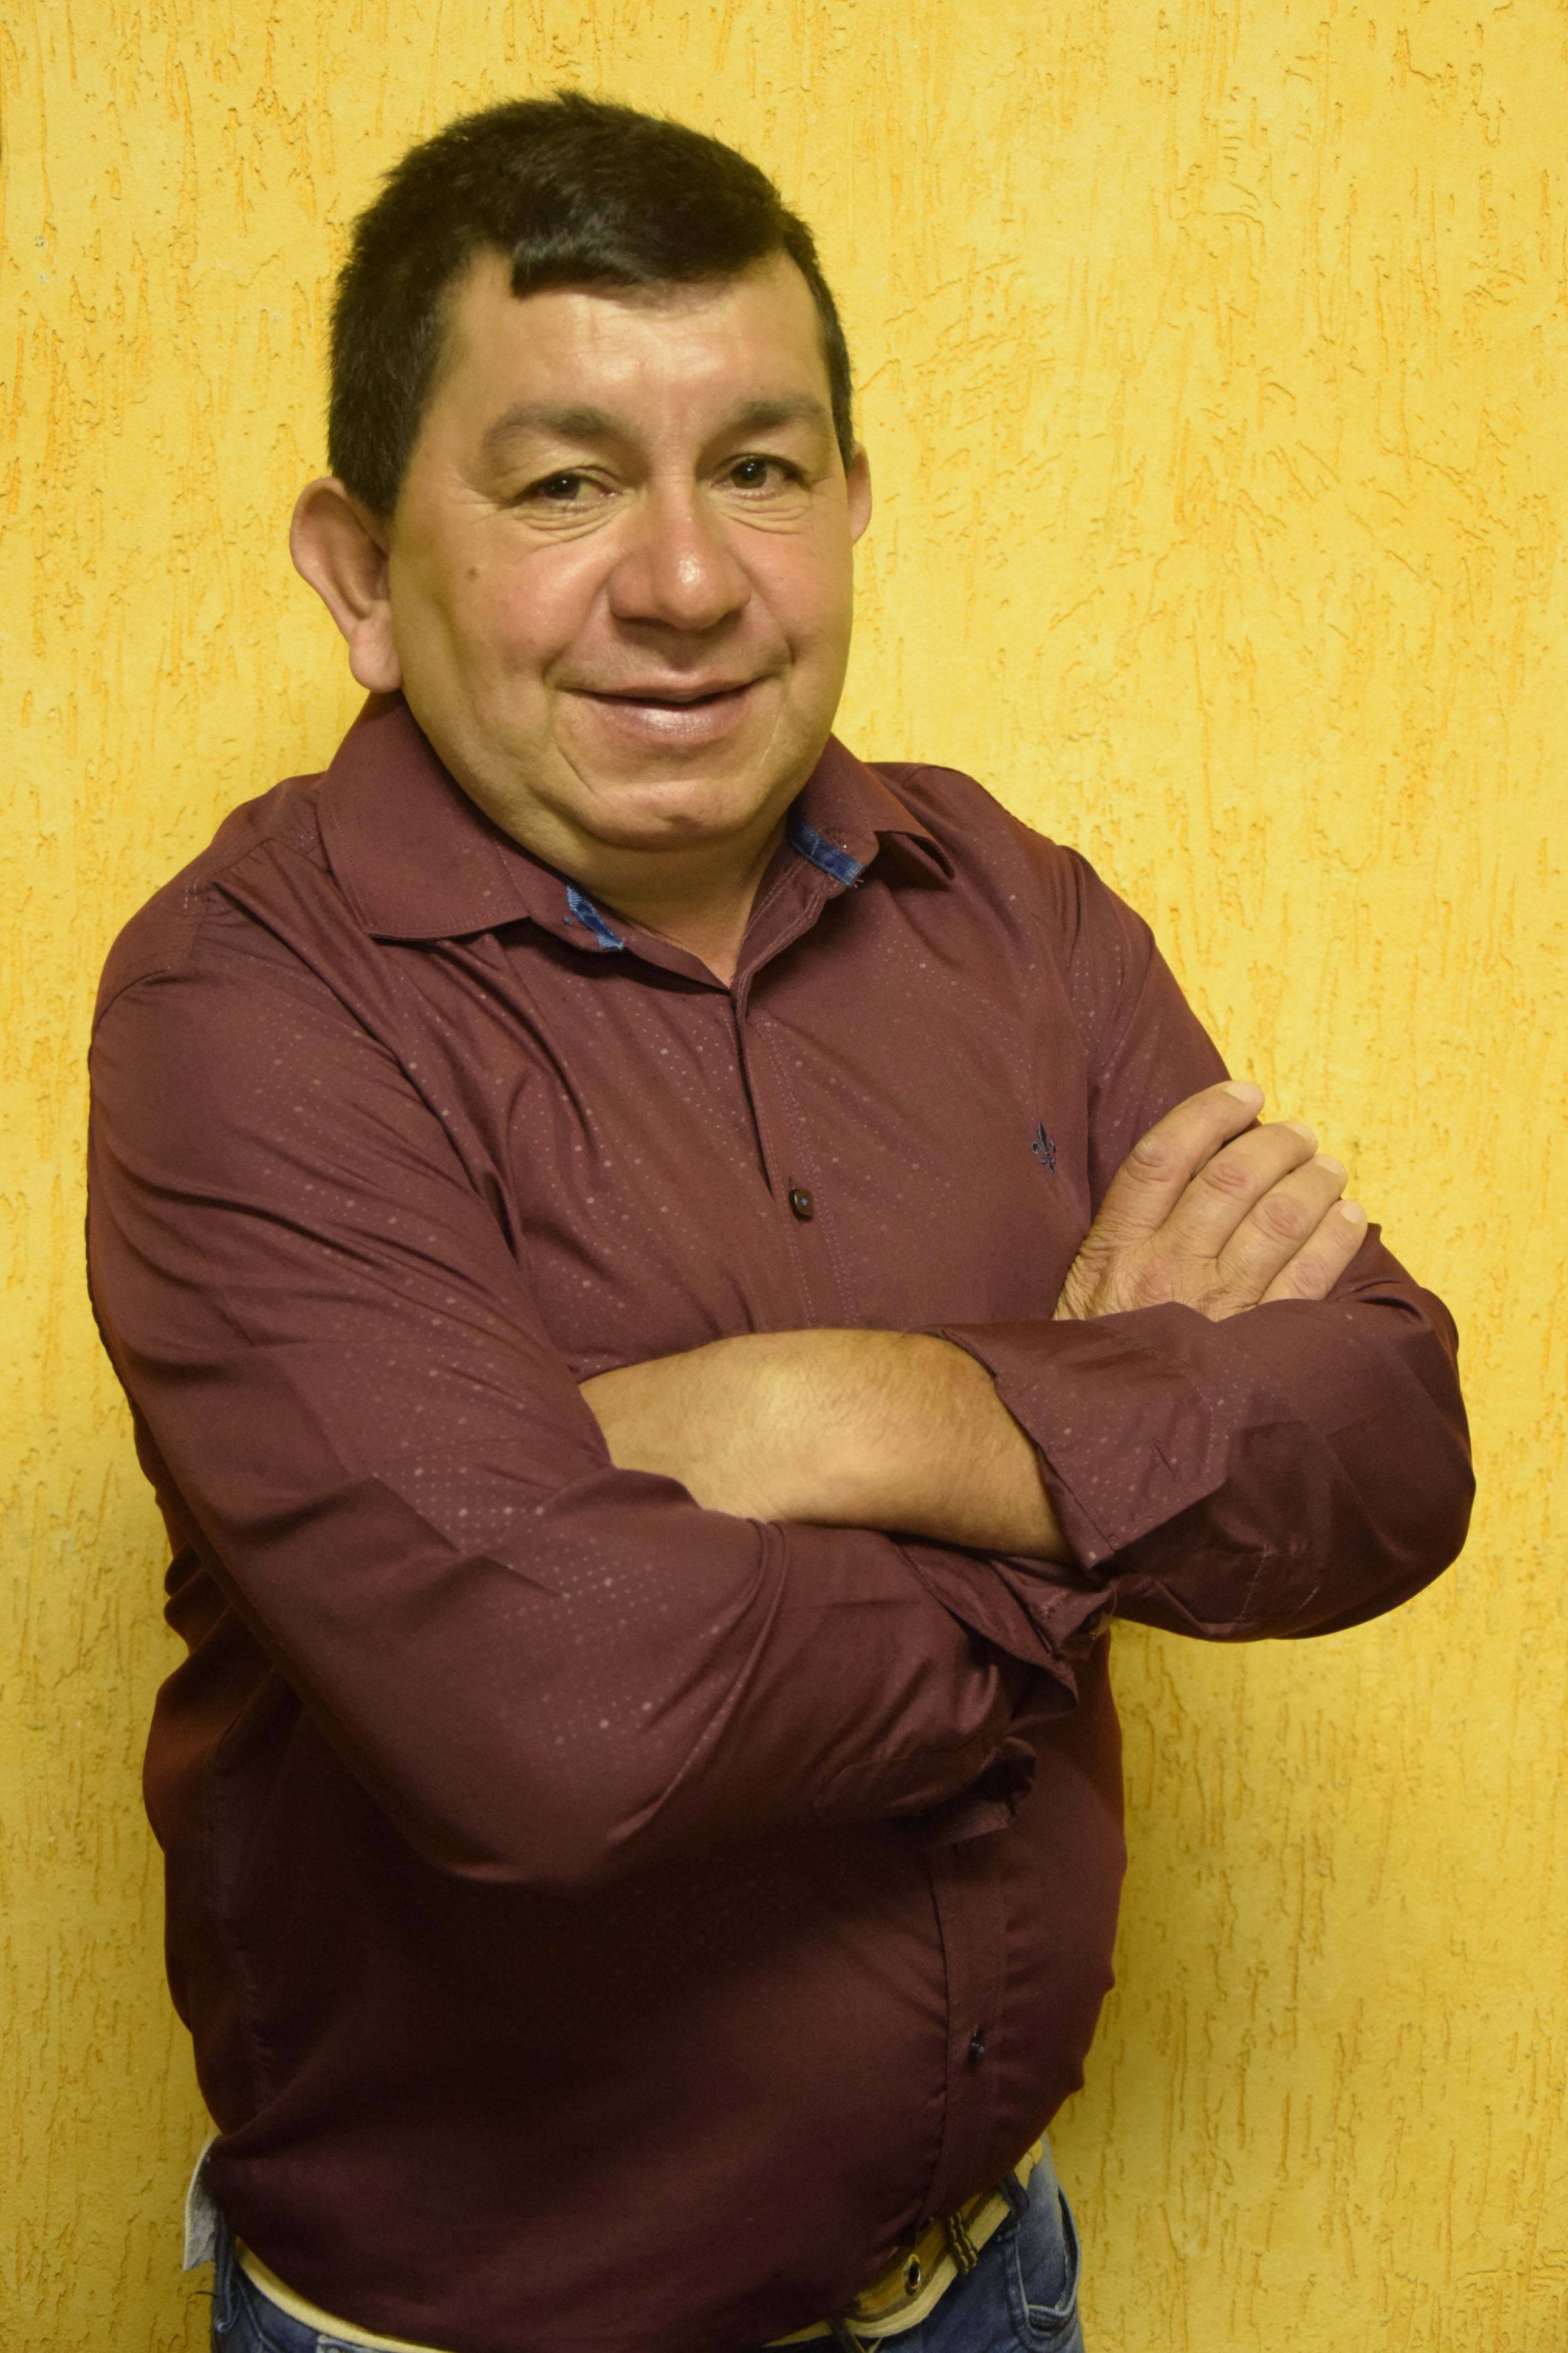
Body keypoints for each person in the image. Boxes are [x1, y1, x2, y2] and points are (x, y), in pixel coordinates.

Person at [86, 93, 1472, 2353]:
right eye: (563, 484)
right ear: (357, 574)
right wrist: (1100, 1480)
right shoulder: (245, 1012)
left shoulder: (1011, 909)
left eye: (758, 466)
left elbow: (1392, 1445)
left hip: (987, 2285)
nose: (688, 581)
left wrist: (853, 1414)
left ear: (852, 505)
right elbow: (558, 1731)